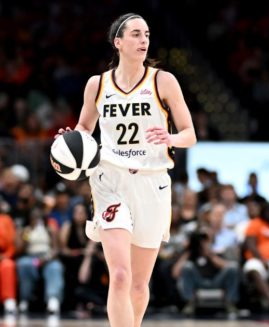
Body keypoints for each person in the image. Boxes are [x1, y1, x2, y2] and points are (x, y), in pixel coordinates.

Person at [56, 13, 196, 327]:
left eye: (146, 34)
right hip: (110, 180)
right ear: (117, 42)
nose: (143, 40)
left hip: (152, 182)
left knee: (137, 284)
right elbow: (84, 126)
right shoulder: (98, 84)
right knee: (119, 275)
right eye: (135, 34)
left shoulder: (163, 80)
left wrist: (170, 136)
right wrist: (71, 140)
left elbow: (190, 134)